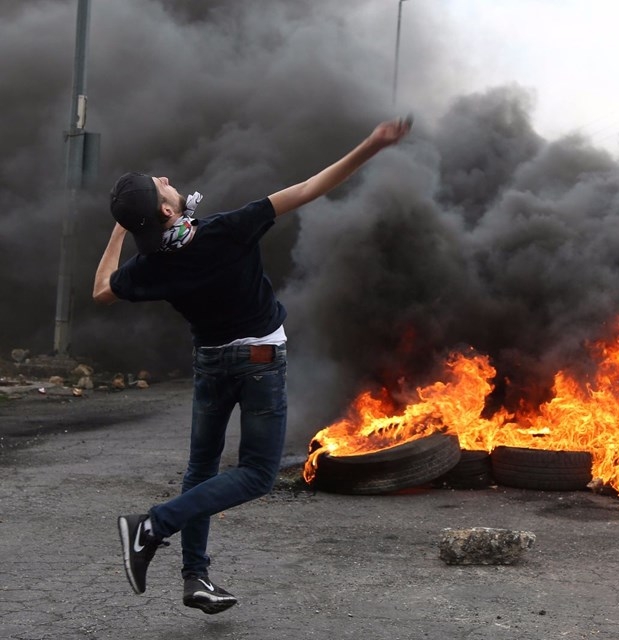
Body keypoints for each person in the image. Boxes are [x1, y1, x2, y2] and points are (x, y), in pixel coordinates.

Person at [93, 117, 411, 614]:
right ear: (165, 208)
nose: (167, 180)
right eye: (161, 185)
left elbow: (101, 289)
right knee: (259, 474)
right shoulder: (226, 230)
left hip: (211, 365)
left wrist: (122, 228)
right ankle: (151, 526)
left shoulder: (151, 266)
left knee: (201, 470)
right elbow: (309, 188)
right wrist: (371, 145)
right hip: (259, 363)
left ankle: (195, 577)